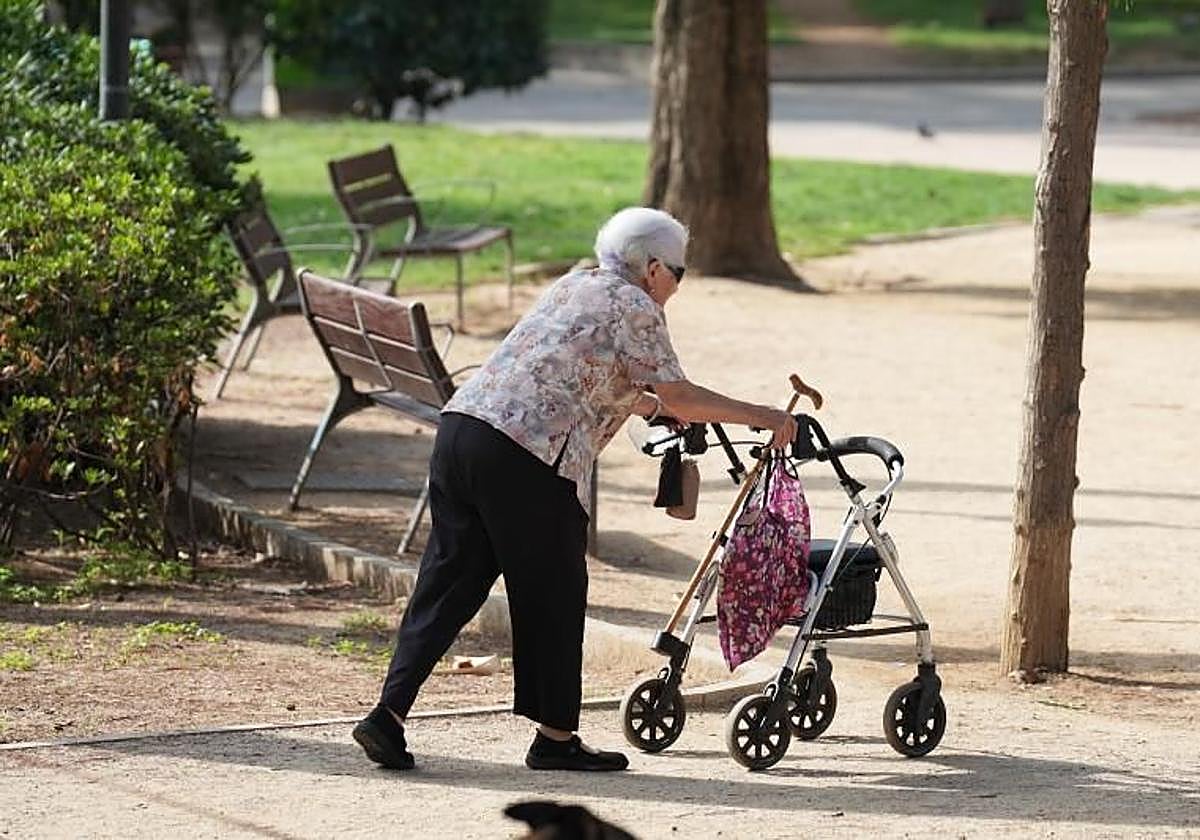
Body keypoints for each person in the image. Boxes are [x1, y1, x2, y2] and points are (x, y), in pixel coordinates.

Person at [352, 207, 798, 772]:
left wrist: (649, 406)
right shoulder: (636, 304)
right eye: (680, 274)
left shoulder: (577, 283)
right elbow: (681, 394)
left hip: (464, 431)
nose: (677, 287)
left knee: (449, 583)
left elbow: (577, 368)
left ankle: (387, 716)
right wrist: (761, 416)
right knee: (555, 591)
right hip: (526, 456)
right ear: (654, 267)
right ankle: (555, 738)